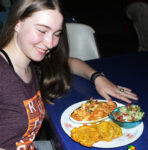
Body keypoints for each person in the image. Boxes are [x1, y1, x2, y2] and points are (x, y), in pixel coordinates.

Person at [0, 0, 138, 149]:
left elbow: (70, 63)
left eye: (57, 34)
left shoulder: (32, 62)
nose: (50, 43)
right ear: (17, 23)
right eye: (41, 30)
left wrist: (98, 77)